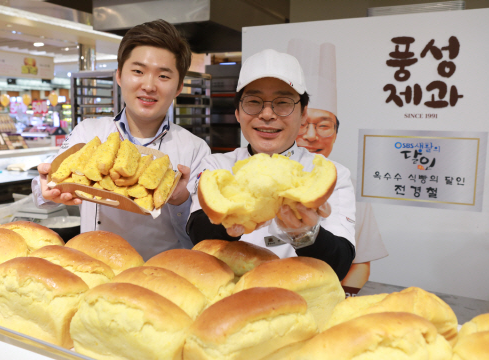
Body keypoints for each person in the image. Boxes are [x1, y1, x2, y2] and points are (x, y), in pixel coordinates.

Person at [31, 19, 211, 260]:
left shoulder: (195, 149)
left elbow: (199, 237)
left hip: (157, 274)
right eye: (138, 71)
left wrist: (179, 200)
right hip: (93, 265)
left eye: (163, 76)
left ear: (179, 86)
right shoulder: (88, 132)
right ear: (119, 75)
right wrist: (48, 188)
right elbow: (41, 195)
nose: (148, 85)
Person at [187, 49, 356, 280]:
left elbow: (340, 262)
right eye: (253, 102)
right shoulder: (216, 166)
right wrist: (233, 221)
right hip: (227, 294)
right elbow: (198, 232)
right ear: (237, 112)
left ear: (304, 113)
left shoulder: (328, 177)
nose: (267, 114)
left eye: (283, 103)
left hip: (300, 297)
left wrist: (306, 234)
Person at [290, 39, 388, 294]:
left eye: (324, 125)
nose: (312, 136)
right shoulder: (261, 179)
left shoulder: (348, 186)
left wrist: (338, 302)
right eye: (303, 125)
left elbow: (360, 264)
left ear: (335, 133)